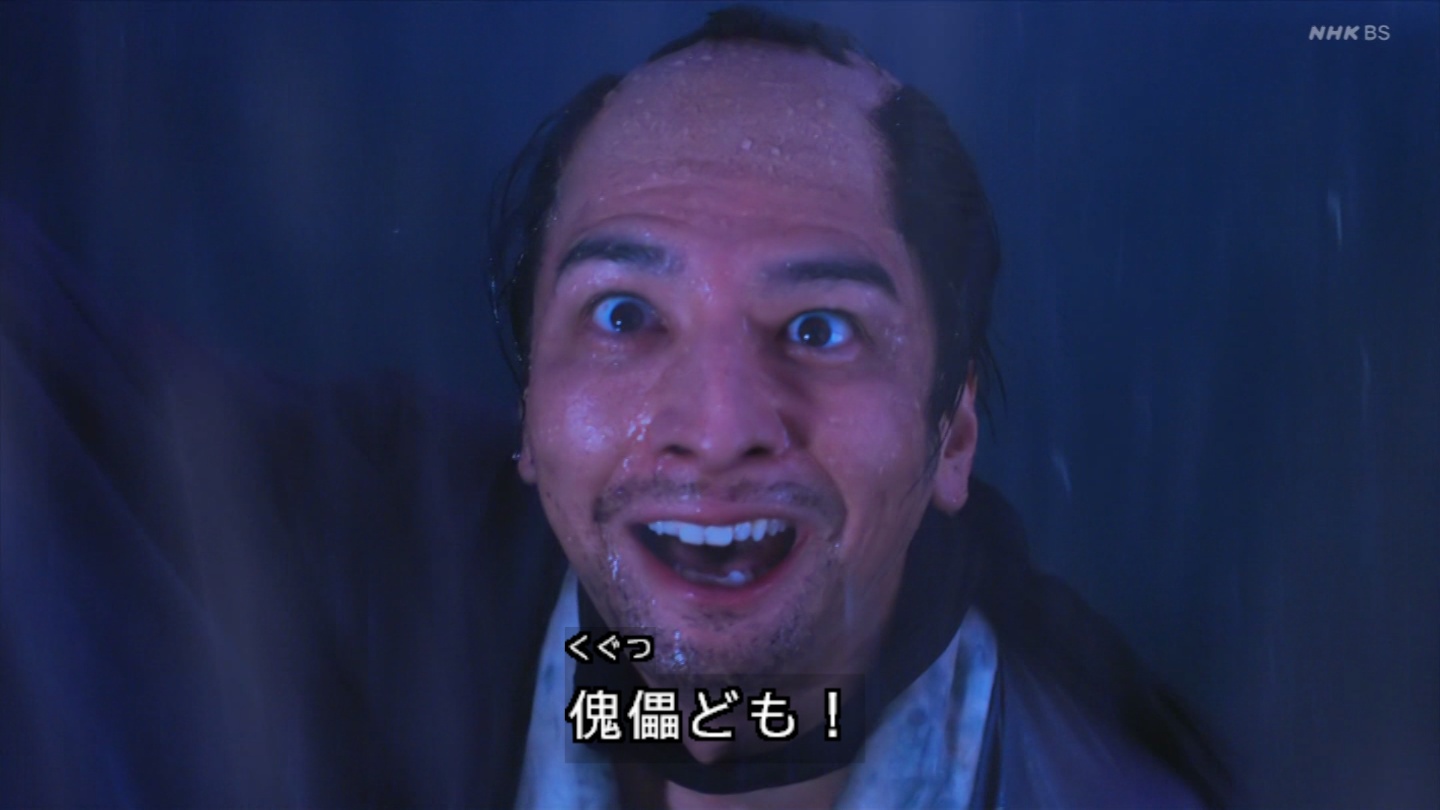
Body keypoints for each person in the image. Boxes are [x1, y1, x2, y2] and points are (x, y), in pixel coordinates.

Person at [0, 6, 1228, 808]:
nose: (718, 426)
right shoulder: (360, 578)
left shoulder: (1088, 785)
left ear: (950, 433)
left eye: (820, 328)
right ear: (533, 412)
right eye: (627, 315)